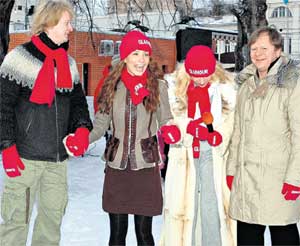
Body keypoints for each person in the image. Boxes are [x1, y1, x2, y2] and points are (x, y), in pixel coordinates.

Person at [0, 1, 92, 245]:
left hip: (57, 163)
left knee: (51, 228)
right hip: (24, 160)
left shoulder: (69, 64)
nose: (71, 29)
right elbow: (2, 107)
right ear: (48, 23)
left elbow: (79, 106)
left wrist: (81, 130)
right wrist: (7, 146)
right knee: (14, 228)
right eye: (66, 23)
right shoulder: (18, 58)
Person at [89, 30, 181, 246]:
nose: (141, 60)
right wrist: (83, 139)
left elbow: (165, 118)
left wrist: (170, 129)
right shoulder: (111, 86)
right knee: (117, 235)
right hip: (117, 166)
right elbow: (100, 125)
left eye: (145, 55)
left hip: (145, 165)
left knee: (144, 235)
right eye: (135, 54)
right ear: (124, 57)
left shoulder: (157, 86)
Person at [226, 26, 300, 245]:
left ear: (278, 51)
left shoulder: (292, 84)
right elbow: (237, 132)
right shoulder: (245, 86)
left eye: (264, 48)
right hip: (246, 179)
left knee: (283, 236)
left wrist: (295, 178)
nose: (257, 54)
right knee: (248, 237)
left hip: (278, 180)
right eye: (254, 49)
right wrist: (232, 170)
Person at [160, 45, 237, 246]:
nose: (201, 80)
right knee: (185, 211)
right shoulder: (175, 90)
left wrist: (218, 136)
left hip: (215, 157)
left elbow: (231, 124)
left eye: (206, 74)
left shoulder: (227, 90)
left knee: (212, 209)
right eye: (196, 75)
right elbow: (170, 120)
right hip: (184, 158)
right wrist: (181, 131)